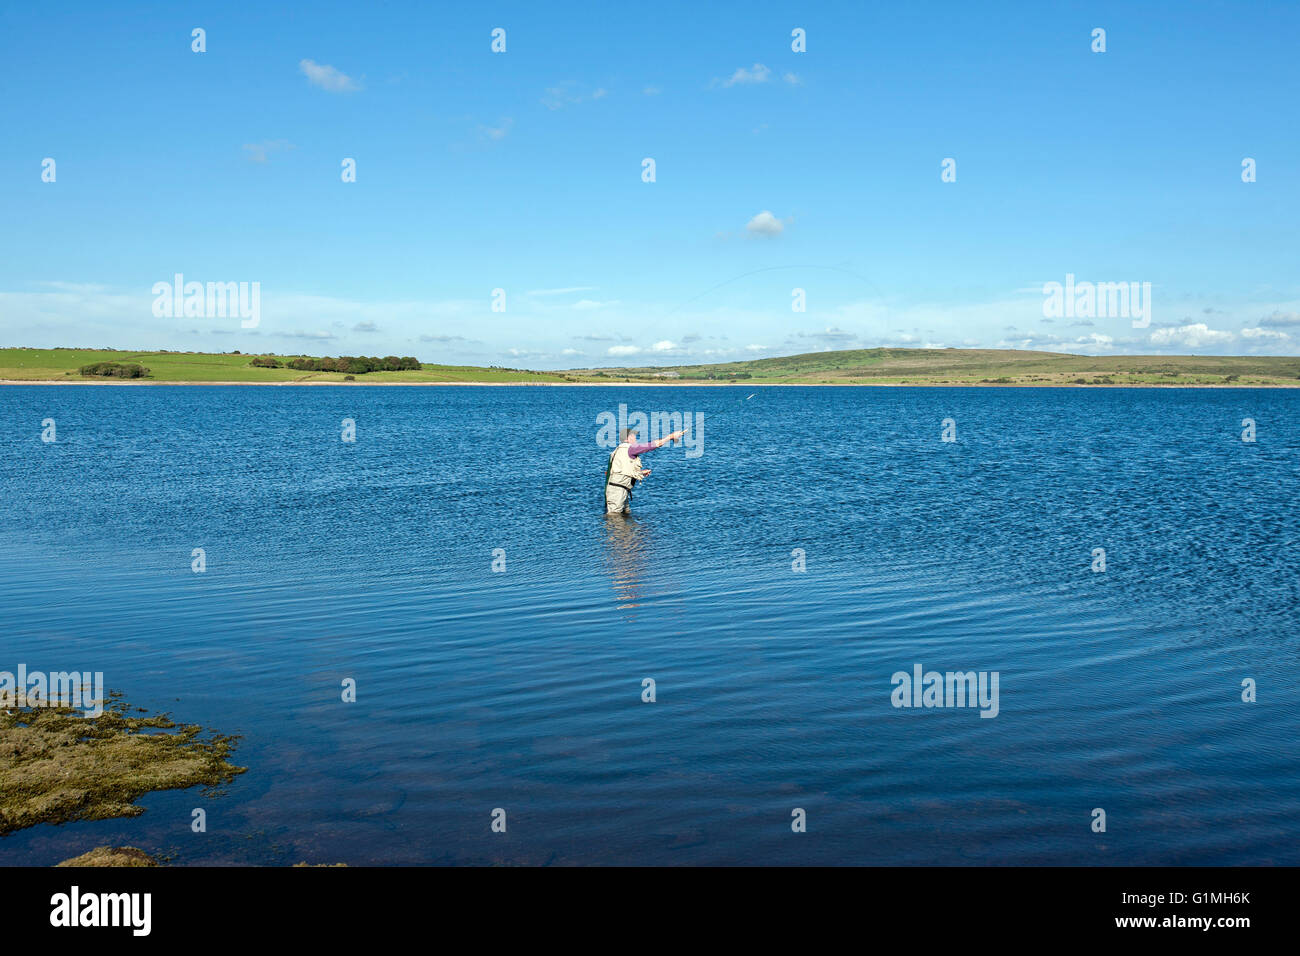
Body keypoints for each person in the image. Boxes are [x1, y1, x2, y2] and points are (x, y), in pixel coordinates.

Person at [604, 427, 685, 514]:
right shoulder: (630, 448)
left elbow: (621, 470)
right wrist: (671, 436)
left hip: (621, 489)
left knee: (624, 517)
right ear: (627, 439)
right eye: (633, 436)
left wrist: (641, 473)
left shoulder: (620, 450)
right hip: (618, 491)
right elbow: (652, 445)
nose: (635, 438)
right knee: (614, 517)